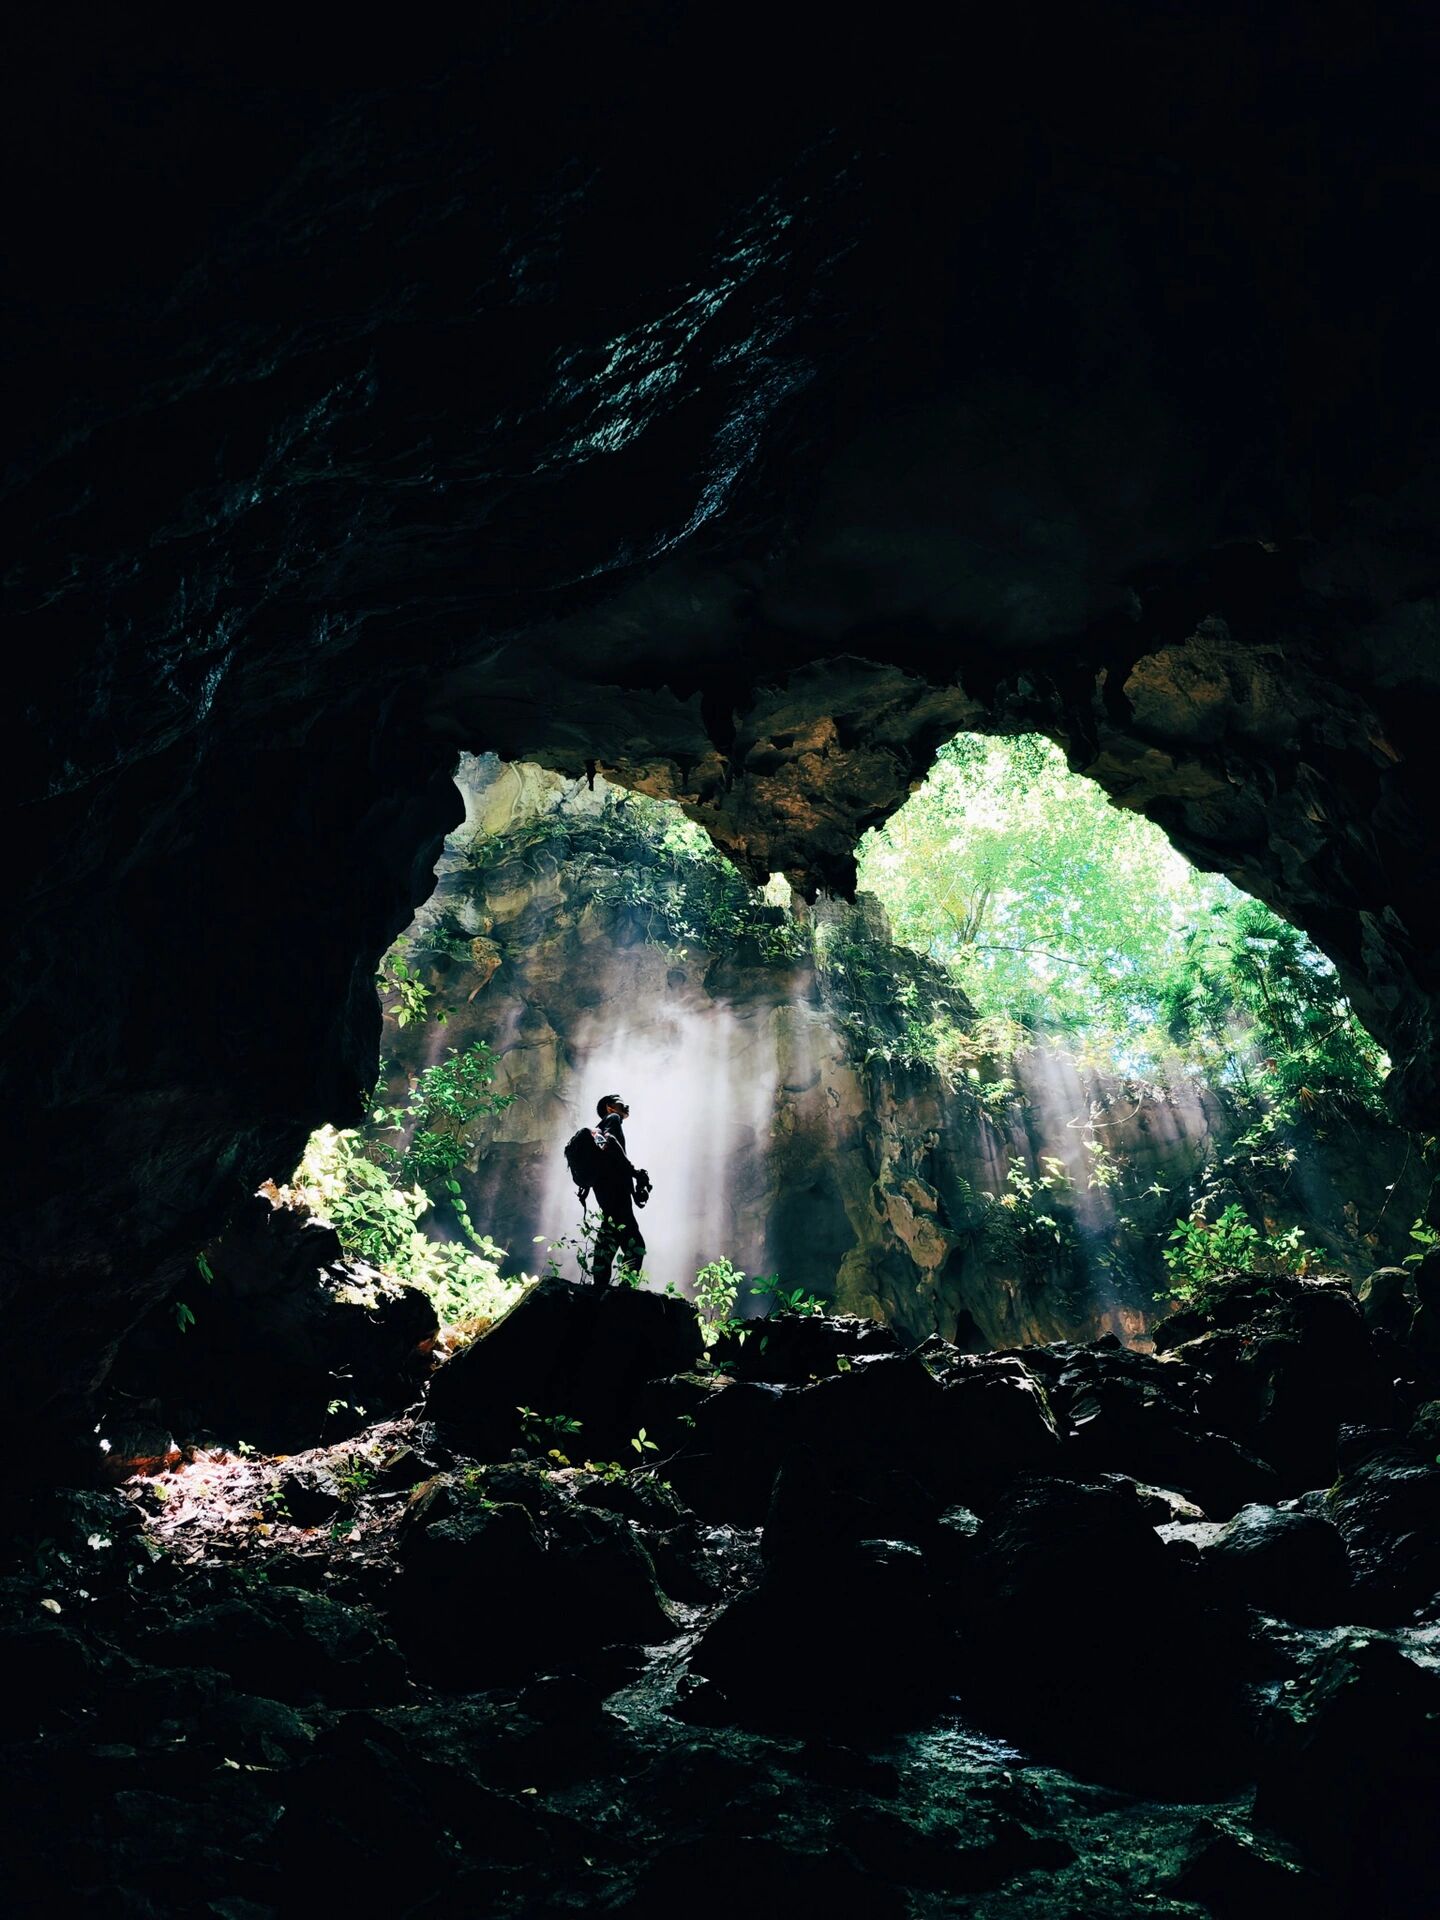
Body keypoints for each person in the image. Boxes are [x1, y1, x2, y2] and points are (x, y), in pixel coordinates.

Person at [589, 1093, 650, 1288]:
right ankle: (623, 1295)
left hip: (606, 1192)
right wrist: (633, 1171)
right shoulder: (612, 1119)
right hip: (615, 1192)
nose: (627, 1106)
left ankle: (597, 1291)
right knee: (636, 1247)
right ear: (610, 1107)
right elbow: (609, 1142)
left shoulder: (598, 1129)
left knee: (608, 1240)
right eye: (621, 1103)